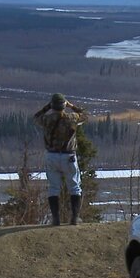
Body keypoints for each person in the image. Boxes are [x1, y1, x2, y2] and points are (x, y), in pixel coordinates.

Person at [34, 93, 88, 226]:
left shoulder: (46, 119)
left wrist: (48, 107)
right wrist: (72, 106)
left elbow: (36, 117)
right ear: (64, 105)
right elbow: (85, 115)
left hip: (51, 156)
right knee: (74, 187)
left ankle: (56, 219)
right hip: (68, 156)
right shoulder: (72, 118)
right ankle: (74, 218)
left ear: (52, 106)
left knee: (53, 188)